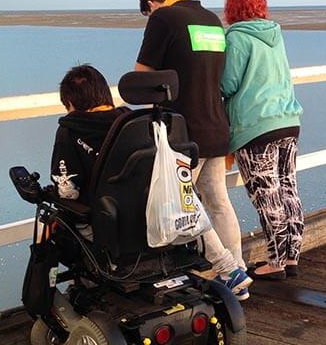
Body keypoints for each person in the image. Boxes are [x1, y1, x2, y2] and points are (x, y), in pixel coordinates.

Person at [49, 64, 252, 298]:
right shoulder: (135, 124)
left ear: (71, 104)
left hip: (110, 229)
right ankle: (228, 266)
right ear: (105, 94)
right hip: (158, 220)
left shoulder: (70, 131)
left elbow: (67, 190)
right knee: (184, 198)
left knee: (62, 217)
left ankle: (87, 288)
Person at [133, 0, 249, 297]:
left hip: (184, 131)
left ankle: (229, 269)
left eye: (147, 13)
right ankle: (237, 276)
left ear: (151, 4)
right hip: (216, 125)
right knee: (217, 201)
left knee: (181, 206)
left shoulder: (163, 18)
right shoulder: (211, 20)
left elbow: (142, 76)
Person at [221, 0, 305, 281]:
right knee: (287, 188)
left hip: (256, 126)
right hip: (288, 120)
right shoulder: (275, 34)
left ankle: (276, 262)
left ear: (232, 7)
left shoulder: (237, 38)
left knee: (266, 195)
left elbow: (228, 84)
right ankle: (292, 256)